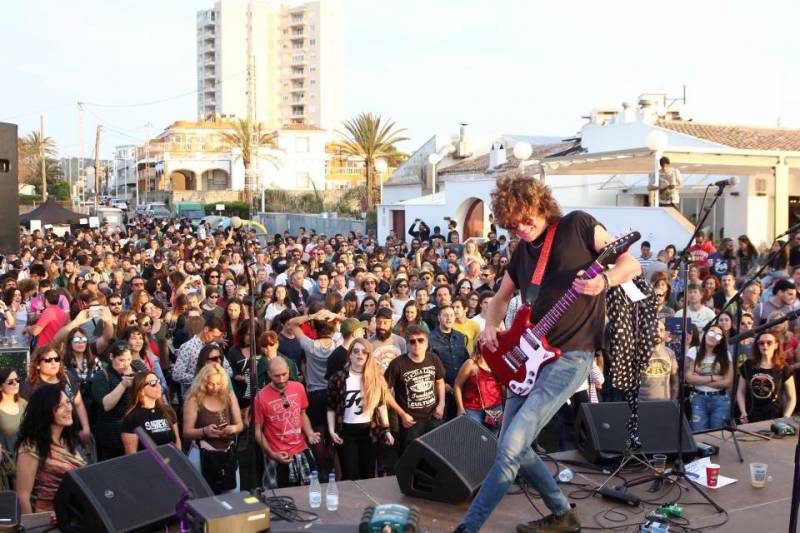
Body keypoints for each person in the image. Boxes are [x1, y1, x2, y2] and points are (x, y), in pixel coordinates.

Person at [456, 175, 640, 533]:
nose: (522, 229)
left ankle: (469, 527)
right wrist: (491, 325)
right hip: (528, 360)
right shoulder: (523, 252)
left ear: (541, 205)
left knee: (510, 446)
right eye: (513, 224)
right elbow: (499, 300)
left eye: (527, 219)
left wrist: (604, 281)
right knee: (514, 448)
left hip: (571, 356)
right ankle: (562, 514)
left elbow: (630, 264)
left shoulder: (578, 225)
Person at [326, 338, 393, 480]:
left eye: (364, 352)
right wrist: (332, 431)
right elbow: (331, 407)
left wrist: (386, 430)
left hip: (369, 431)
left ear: (369, 356)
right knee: (350, 474)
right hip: (346, 430)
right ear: (350, 354)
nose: (360, 355)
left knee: (368, 473)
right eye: (356, 351)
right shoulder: (338, 378)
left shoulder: (376, 378)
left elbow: (381, 405)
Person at [15, 384, 86, 514]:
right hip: (45, 522)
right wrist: (33, 527)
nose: (68, 409)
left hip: (70, 517)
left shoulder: (66, 441)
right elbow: (23, 496)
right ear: (45, 411)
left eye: (68, 403)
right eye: (59, 406)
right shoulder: (31, 446)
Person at [253, 356, 320, 489]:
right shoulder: (260, 397)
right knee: (280, 498)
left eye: (284, 374)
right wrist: (272, 454)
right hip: (277, 453)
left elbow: (302, 414)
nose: (282, 379)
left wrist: (310, 433)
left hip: (301, 450)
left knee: (311, 491)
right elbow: (257, 431)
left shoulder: (299, 388)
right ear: (269, 374)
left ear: (289, 370)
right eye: (276, 376)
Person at [182, 363, 244, 493]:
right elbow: (187, 432)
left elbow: (240, 425)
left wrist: (232, 429)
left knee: (232, 497)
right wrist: (205, 431)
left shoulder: (228, 395)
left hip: (226, 453)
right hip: (202, 454)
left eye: (218, 384)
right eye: (210, 384)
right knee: (203, 498)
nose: (215, 388)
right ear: (203, 382)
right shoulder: (194, 399)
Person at [384, 325, 446, 452]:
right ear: (407, 344)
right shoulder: (397, 364)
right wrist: (402, 414)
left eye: (420, 340)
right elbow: (385, 391)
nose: (417, 344)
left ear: (427, 342)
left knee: (433, 458)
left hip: (433, 418)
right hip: (410, 422)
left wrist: (441, 405)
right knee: (411, 459)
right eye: (412, 341)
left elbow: (440, 381)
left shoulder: (433, 359)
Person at [21, 345, 91, 448]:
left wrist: (86, 428)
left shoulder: (67, 378)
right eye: (48, 360)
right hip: (47, 442)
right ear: (37, 365)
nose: (54, 363)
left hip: (73, 437)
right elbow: (27, 417)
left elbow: (79, 404)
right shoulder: (30, 387)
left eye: (57, 359)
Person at [92, 342, 147, 460]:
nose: (126, 364)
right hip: (112, 435)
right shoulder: (102, 376)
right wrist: (123, 384)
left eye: (128, 359)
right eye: (121, 360)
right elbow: (106, 405)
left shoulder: (137, 369)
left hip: (137, 429)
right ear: (111, 357)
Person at [737, 331, 797, 423]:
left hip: (775, 417)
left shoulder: (784, 367)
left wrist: (786, 417)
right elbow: (741, 391)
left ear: (776, 345)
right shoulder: (748, 365)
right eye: (761, 343)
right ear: (757, 345)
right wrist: (743, 412)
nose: (765, 346)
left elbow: (792, 398)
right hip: (751, 416)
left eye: (769, 343)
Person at [685, 325, 733, 431]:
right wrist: (714, 378)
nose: (713, 336)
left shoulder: (726, 354)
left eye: (718, 335)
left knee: (719, 434)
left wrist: (700, 380)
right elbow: (689, 378)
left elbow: (728, 382)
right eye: (711, 332)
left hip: (721, 400)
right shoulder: (694, 351)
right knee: (699, 433)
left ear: (720, 341)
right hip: (699, 398)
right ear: (705, 334)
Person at [120, 372, 180, 453]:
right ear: (141, 390)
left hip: (171, 462)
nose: (159, 386)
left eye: (158, 382)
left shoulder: (167, 411)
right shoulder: (132, 417)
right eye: (153, 383)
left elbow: (177, 442)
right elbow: (132, 453)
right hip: (147, 463)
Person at [453, 346, 504, 437]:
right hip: (473, 409)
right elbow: (457, 385)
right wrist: (460, 408)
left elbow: (504, 388)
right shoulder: (471, 363)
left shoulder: (500, 362)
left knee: (491, 442)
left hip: (495, 410)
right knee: (473, 442)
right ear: (479, 343)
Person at [640, 319, 679, 401]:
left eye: (661, 330)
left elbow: (675, 383)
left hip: (664, 403)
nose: (658, 333)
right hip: (641, 403)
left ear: (665, 333)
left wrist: (673, 403)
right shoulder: (637, 353)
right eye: (654, 329)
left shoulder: (670, 353)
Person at [0, 368, 26, 459]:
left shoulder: (24, 404)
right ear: (1, 386)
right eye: (10, 382)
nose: (15, 384)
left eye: (17, 380)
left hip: (26, 458)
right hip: (7, 465)